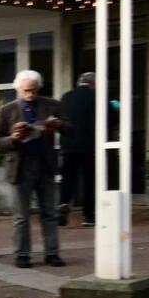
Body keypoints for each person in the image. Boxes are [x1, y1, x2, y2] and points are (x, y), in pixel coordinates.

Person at [0, 69, 65, 268]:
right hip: (20, 166)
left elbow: (70, 129)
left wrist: (58, 125)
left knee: (49, 212)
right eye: (26, 91)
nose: (30, 95)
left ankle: (52, 253)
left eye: (33, 90)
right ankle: (22, 254)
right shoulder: (7, 110)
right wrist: (13, 138)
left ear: (39, 88)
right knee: (21, 216)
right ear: (18, 89)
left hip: (45, 164)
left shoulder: (52, 105)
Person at [58, 73, 96, 227]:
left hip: (68, 145)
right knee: (89, 181)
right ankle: (89, 216)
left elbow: (60, 119)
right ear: (93, 83)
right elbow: (111, 116)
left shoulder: (66, 97)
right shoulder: (96, 96)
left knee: (67, 180)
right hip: (89, 146)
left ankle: (63, 205)